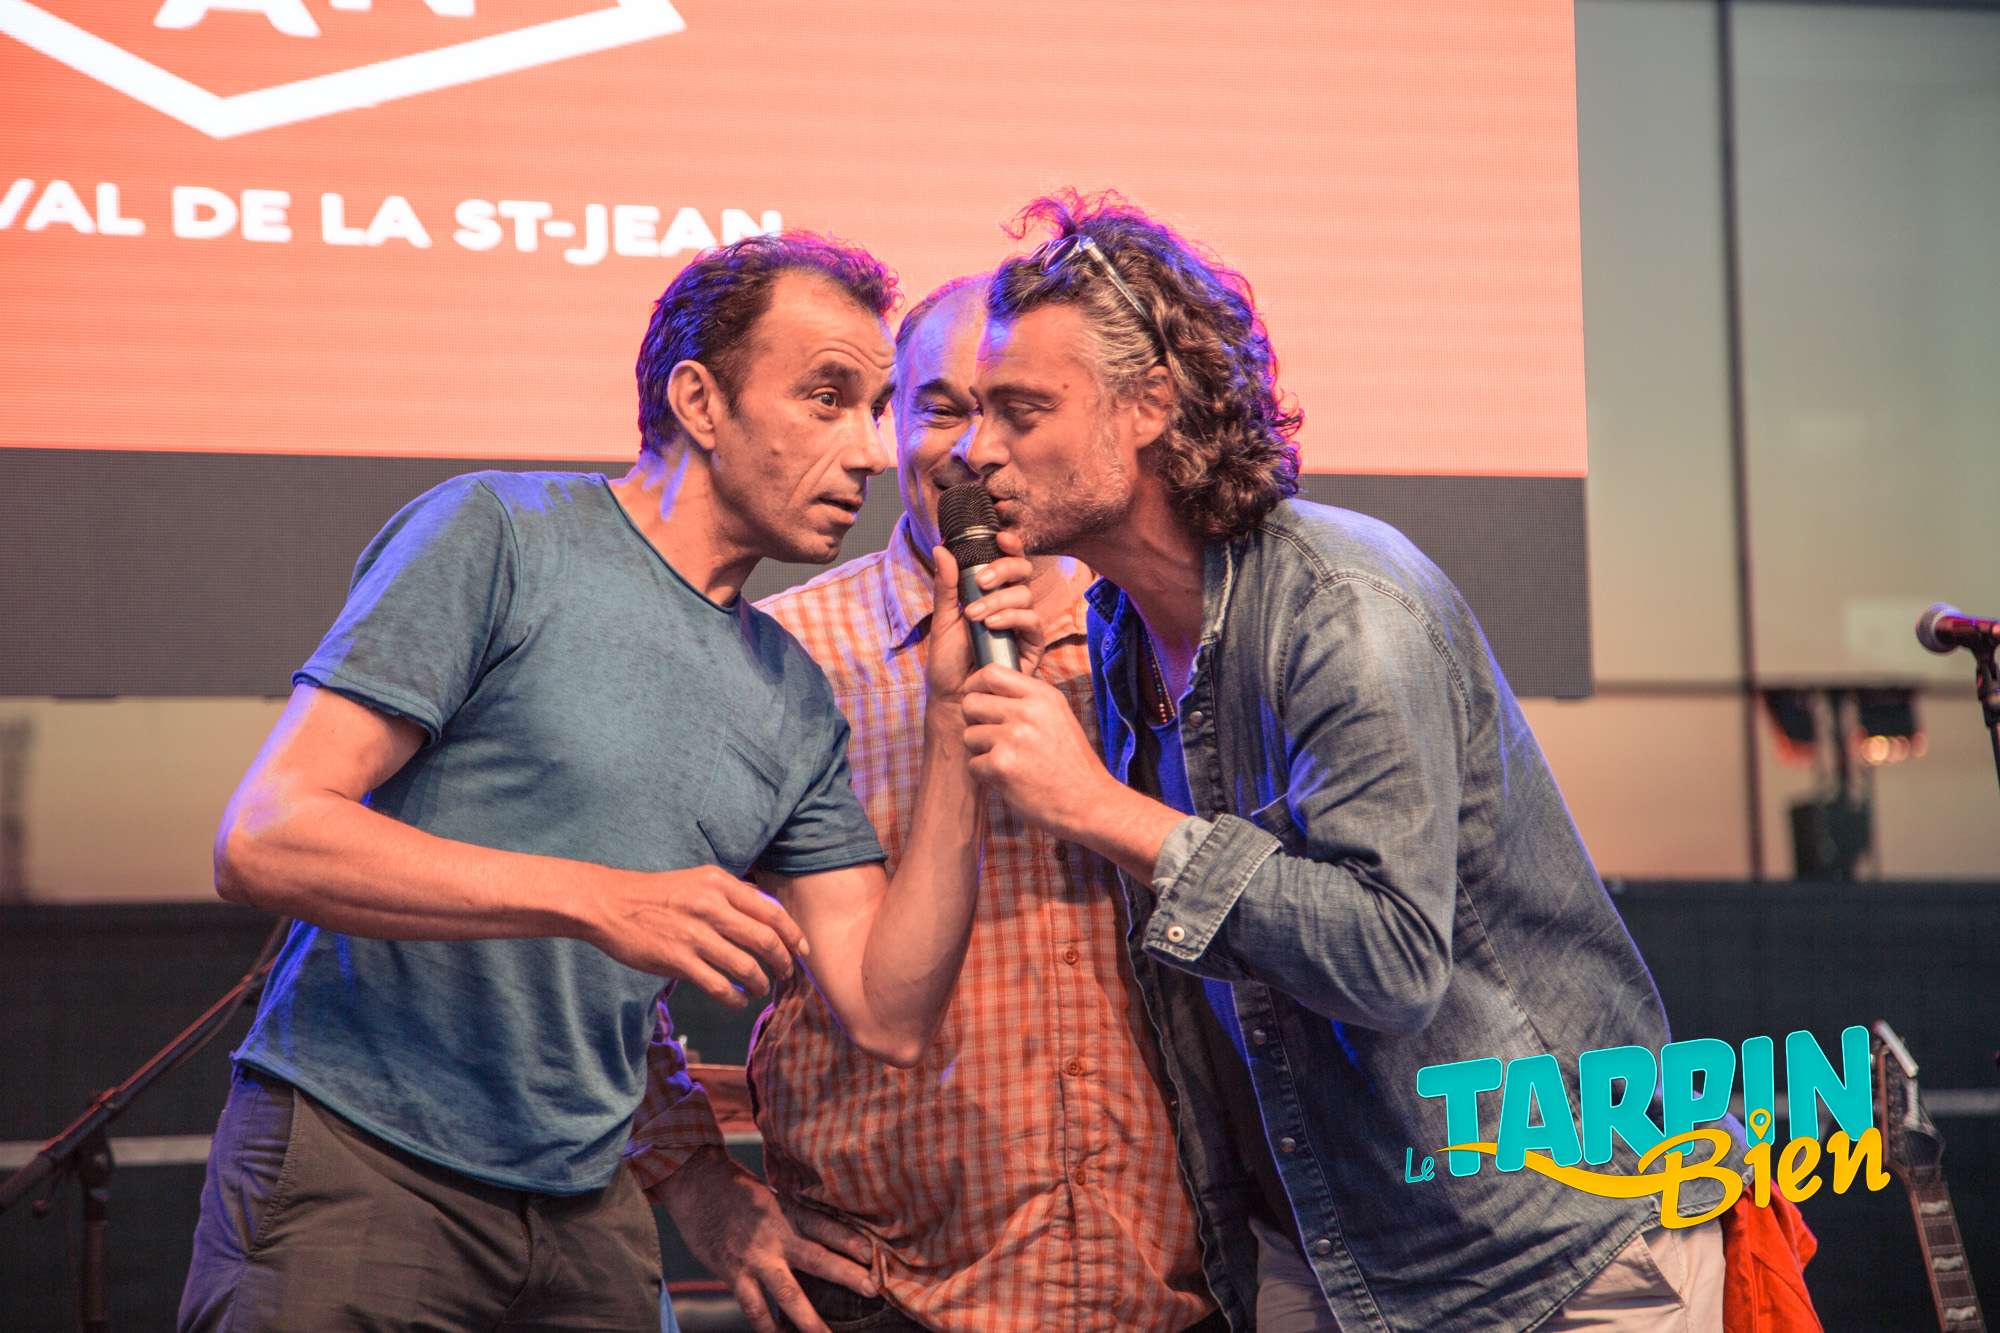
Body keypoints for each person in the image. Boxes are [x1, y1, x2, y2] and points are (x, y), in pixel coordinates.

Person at [177, 233, 1040, 1332]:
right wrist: (601, 899)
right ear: (699, 400)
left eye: (877, 409)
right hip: (365, 1165)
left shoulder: (789, 689)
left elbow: (891, 1006)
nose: (870, 450)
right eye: (826, 398)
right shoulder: (501, 533)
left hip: (586, 1202)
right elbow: (267, 834)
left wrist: (953, 716)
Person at [952, 192, 1734, 1331]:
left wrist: (1099, 806)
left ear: (1151, 404)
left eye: (1021, 411)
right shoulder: (1119, 630)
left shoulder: (1345, 606)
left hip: (1555, 1253)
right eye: (977, 412)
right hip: (1325, 1250)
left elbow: (1390, 962)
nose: (975, 450)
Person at [627, 276, 1220, 1333]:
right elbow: (595, 968)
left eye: (1014, 409)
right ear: (890, 421)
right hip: (882, 1290)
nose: (977, 449)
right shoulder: (777, 655)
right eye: (941, 408)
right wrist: (700, 1187)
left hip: (1175, 1288)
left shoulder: (1169, 640)